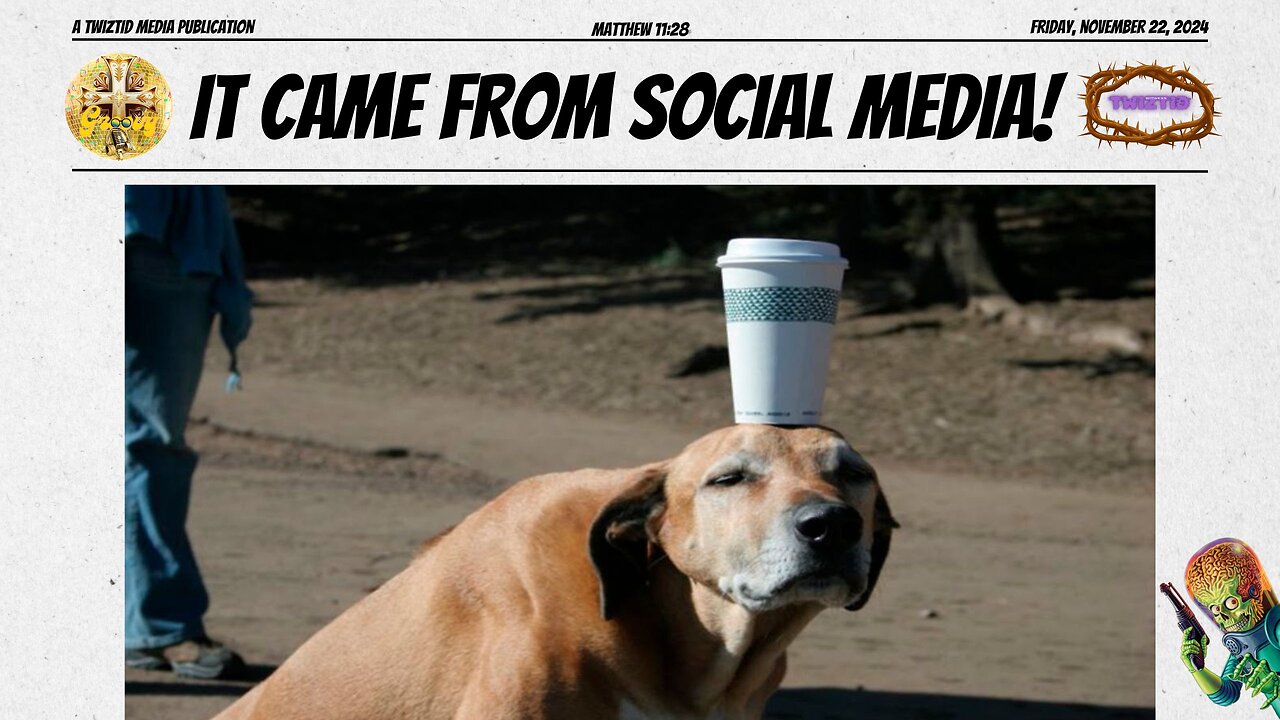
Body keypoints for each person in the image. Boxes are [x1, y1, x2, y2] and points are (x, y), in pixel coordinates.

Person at [123, 186, 252, 678]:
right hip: (137, 221)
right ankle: (159, 623)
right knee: (144, 442)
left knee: (145, 441)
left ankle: (149, 620)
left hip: (174, 226)